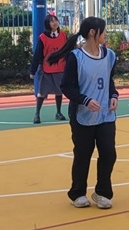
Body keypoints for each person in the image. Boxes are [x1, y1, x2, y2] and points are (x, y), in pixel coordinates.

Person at [48, 17, 119, 210]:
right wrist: (85, 100)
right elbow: (66, 87)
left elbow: (109, 80)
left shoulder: (109, 55)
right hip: (82, 115)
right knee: (83, 154)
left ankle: (102, 192)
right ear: (92, 33)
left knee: (109, 153)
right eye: (103, 31)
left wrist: (113, 95)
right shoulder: (76, 57)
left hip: (105, 114)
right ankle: (77, 193)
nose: (106, 34)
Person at [29, 14, 67, 124]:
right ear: (47, 24)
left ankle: (58, 112)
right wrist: (33, 70)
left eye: (56, 20)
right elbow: (37, 55)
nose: (55, 23)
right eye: (52, 21)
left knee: (59, 91)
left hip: (60, 68)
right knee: (41, 92)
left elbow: (68, 51)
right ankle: (37, 114)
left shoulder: (63, 35)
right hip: (46, 69)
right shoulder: (43, 38)